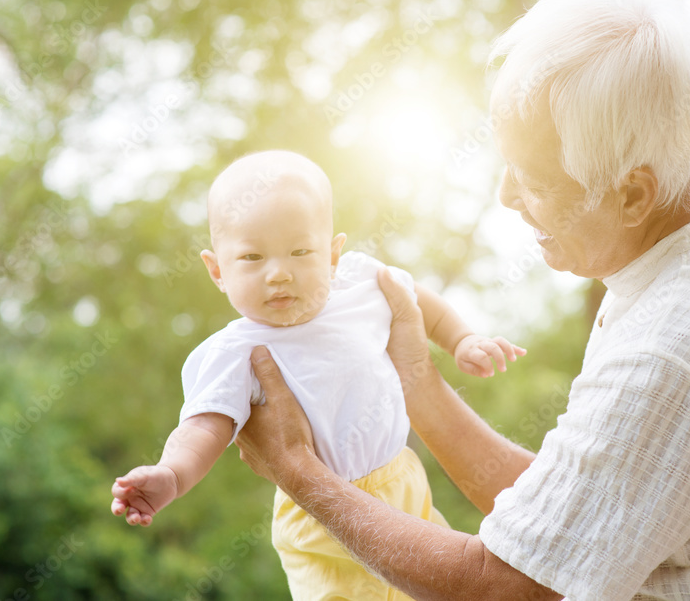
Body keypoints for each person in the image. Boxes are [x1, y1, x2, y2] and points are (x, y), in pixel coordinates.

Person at [233, 0, 690, 600]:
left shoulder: (674, 345)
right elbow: (567, 525)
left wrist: (298, 471)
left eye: (533, 179)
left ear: (632, 194)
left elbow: (507, 588)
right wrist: (415, 380)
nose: (506, 196)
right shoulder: (675, 265)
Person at [109, 150, 525, 600]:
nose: (279, 273)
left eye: (300, 251)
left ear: (333, 253)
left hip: (401, 483)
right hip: (321, 520)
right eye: (251, 257)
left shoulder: (360, 284)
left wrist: (463, 340)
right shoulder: (235, 351)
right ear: (217, 270)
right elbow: (204, 425)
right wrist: (172, 474)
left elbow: (417, 301)